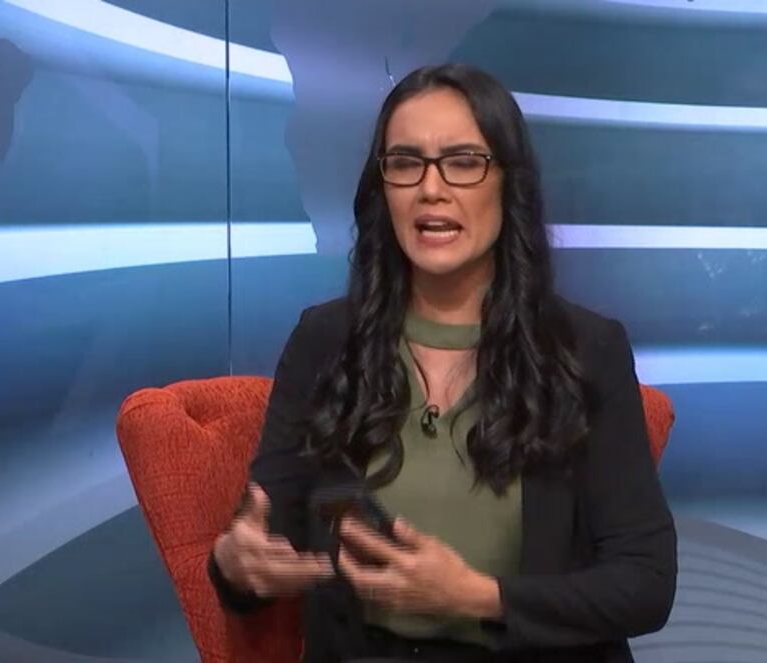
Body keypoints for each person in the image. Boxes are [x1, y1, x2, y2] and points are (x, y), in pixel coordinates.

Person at [209, 63, 677, 662]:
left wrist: (475, 597)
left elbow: (645, 583)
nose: (431, 188)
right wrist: (235, 562)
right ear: (383, 189)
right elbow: (264, 534)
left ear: (508, 183)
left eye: (463, 161)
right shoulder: (325, 341)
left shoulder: (585, 350)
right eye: (406, 162)